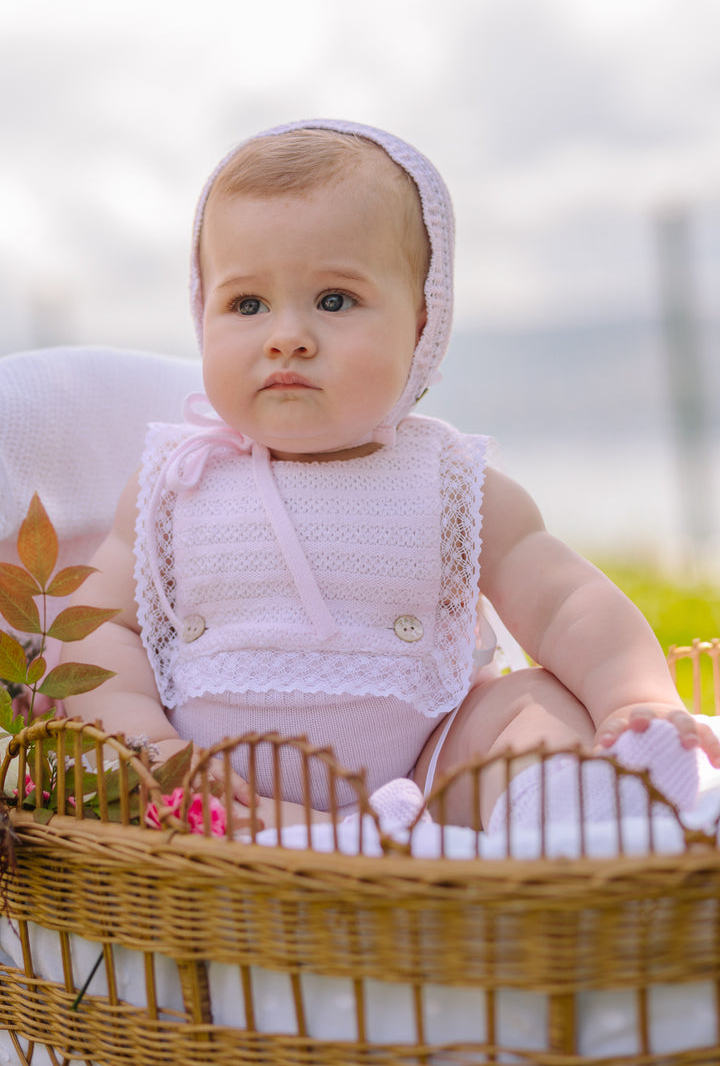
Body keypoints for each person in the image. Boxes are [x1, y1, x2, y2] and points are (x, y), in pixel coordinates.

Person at [61, 119, 720, 833]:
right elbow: (98, 630)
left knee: (529, 705)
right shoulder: (172, 488)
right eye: (246, 304)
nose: (287, 334)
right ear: (202, 316)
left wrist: (633, 699)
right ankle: (313, 839)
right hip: (228, 789)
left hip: (430, 771)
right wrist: (154, 749)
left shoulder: (450, 484)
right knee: (175, 788)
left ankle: (582, 810)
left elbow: (567, 604)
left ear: (419, 325)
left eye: (334, 300)